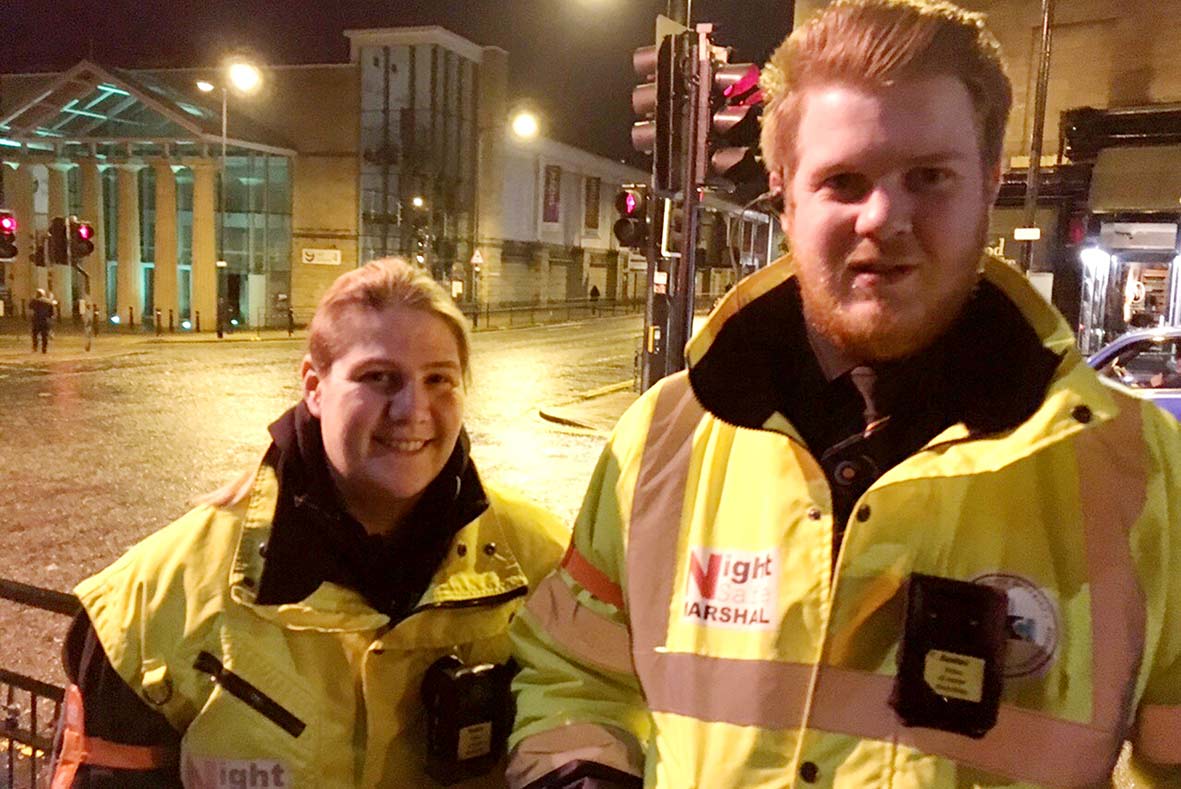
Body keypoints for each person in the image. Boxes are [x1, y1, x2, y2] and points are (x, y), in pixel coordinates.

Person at [507, 2, 1181, 787]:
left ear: (989, 182)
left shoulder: (1141, 471)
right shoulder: (658, 439)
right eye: (843, 180)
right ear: (785, 195)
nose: (884, 216)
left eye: (927, 176)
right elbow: (572, 671)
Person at [51, 257, 569, 788]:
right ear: (314, 386)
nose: (414, 409)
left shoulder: (547, 564)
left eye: (440, 379)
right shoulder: (154, 599)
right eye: (379, 378)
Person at [30, 287, 54, 353]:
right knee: (44, 336)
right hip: (45, 320)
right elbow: (51, 313)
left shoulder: (35, 301)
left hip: (36, 320)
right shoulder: (48, 302)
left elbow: (30, 306)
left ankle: (35, 347)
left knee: (34, 334)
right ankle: (44, 349)